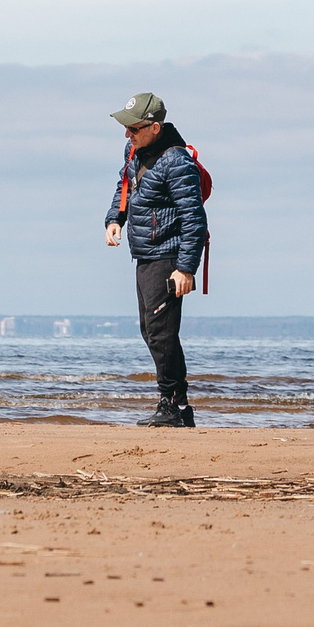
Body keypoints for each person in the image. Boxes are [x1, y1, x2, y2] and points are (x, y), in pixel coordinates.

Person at [103, 92, 207, 427]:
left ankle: (172, 406)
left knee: (161, 333)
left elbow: (194, 217)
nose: (127, 134)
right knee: (151, 331)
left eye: (133, 128)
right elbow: (124, 187)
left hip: (169, 255)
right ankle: (179, 407)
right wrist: (114, 220)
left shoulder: (177, 162)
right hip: (145, 254)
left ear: (155, 127)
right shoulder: (135, 150)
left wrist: (186, 268)